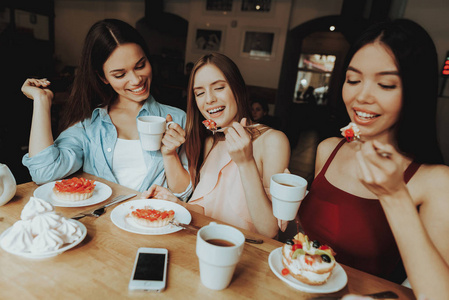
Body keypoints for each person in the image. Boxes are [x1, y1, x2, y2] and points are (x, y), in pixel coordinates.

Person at [297, 19, 449, 299]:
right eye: (353, 80)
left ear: (414, 93)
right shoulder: (328, 149)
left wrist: (394, 195)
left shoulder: (436, 181)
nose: (361, 96)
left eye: (386, 84)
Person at [21, 19, 191, 199]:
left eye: (140, 65)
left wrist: (170, 154)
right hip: (102, 225)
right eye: (120, 74)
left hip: (151, 221)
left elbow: (185, 193)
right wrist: (42, 101)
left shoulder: (177, 119)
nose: (135, 80)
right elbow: (44, 172)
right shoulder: (90, 125)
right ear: (102, 77)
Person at [143, 53, 291, 238]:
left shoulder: (273, 141)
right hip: (204, 243)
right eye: (200, 93)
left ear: (238, 88)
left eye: (219, 87)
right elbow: (208, 210)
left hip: (247, 255)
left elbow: (269, 230)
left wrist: (245, 163)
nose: (209, 99)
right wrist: (177, 204)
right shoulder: (210, 141)